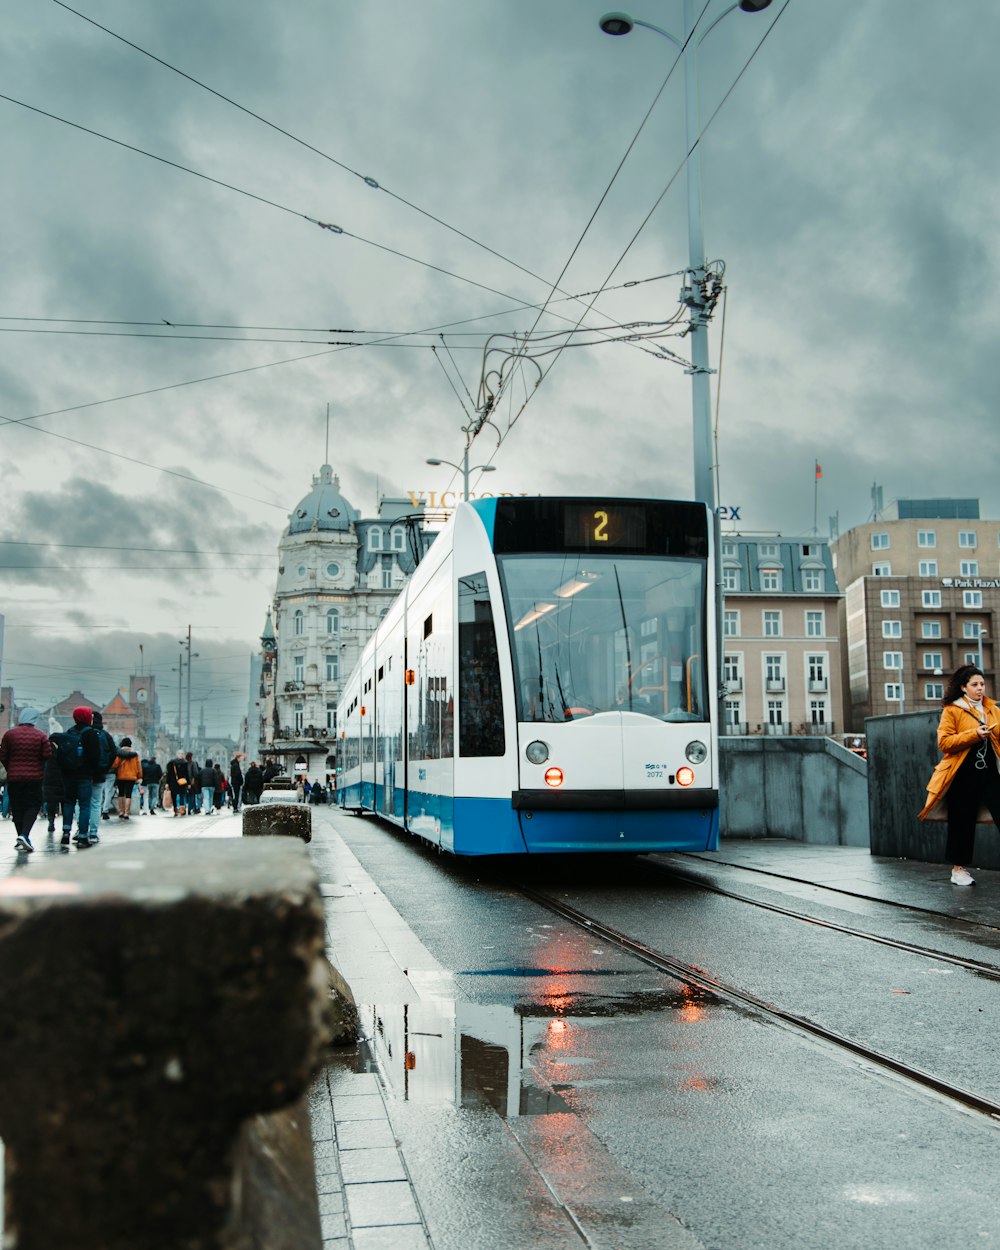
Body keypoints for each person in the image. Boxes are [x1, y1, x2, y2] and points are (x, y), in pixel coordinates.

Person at [919, 664, 1000, 886]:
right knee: (962, 822)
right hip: (963, 773)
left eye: (982, 684)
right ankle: (958, 870)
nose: (980, 688)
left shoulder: (992, 709)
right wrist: (974, 734)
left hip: (991, 772)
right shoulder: (952, 710)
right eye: (974, 684)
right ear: (964, 687)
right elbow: (944, 742)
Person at [0, 707, 53, 853]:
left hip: (14, 778)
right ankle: (24, 835)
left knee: (17, 807)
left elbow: (2, 755)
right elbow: (48, 754)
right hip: (34, 778)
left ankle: (20, 836)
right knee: (33, 805)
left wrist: (11, 767)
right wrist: (38, 765)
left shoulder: (9, 734)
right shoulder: (41, 735)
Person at [54, 706, 100, 846]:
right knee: (85, 805)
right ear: (87, 718)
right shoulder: (91, 734)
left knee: (69, 803)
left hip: (68, 775)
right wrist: (92, 771)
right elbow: (95, 757)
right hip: (84, 775)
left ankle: (66, 832)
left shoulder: (69, 733)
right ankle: (82, 837)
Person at [90, 711, 118, 830]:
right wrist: (106, 767)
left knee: (83, 802)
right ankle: (93, 831)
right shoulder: (105, 735)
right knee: (97, 801)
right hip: (102, 772)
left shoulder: (84, 733)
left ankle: (81, 830)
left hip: (85, 773)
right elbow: (114, 752)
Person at [112, 737, 143, 820]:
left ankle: (121, 812)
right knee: (128, 794)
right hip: (131, 777)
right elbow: (138, 766)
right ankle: (126, 813)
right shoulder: (135, 754)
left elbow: (115, 764)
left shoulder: (120, 753)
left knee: (121, 793)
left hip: (120, 776)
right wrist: (139, 776)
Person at [166, 751, 191, 816]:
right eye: (180, 754)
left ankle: (177, 809)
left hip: (174, 782)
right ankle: (180, 809)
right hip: (181, 781)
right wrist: (188, 783)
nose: (180, 755)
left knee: (176, 795)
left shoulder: (172, 762)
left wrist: (167, 782)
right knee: (181, 795)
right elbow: (187, 773)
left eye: (181, 754)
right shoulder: (184, 763)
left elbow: (169, 773)